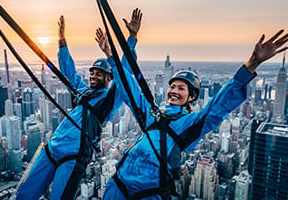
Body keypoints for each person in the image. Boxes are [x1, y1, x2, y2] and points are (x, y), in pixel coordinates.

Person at [100, 29, 288, 199]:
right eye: (172, 86)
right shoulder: (152, 115)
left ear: (192, 97)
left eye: (181, 88)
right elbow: (129, 88)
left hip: (147, 193)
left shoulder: (189, 123)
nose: (174, 90)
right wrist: (110, 55)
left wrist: (252, 64)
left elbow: (218, 106)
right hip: (117, 184)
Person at [16, 8, 142, 199]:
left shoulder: (110, 98)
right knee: (24, 195)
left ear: (109, 78)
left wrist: (131, 38)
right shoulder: (81, 92)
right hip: (53, 147)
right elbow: (69, 71)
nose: (93, 76)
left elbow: (125, 72)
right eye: (92, 73)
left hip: (74, 155)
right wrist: (61, 40)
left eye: (98, 74)